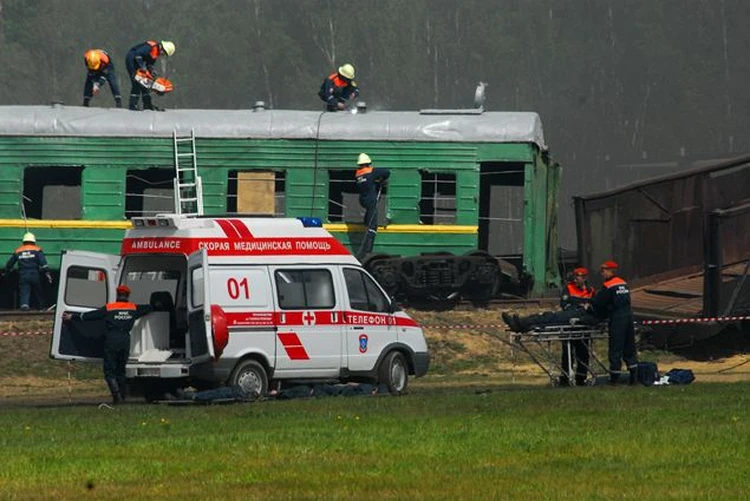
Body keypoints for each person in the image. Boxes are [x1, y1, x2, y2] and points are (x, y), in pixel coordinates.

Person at [502, 268, 596, 386]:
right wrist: (580, 304)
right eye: (576, 275)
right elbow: (565, 303)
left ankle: (581, 380)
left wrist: (579, 304)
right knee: (564, 348)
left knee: (582, 353)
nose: (576, 278)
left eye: (579, 276)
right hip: (569, 319)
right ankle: (565, 379)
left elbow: (592, 305)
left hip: (581, 323)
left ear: (585, 278)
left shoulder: (591, 290)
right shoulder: (569, 287)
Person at [63, 285, 153, 404]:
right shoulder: (133, 308)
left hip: (112, 339)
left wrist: (72, 317)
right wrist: (158, 304)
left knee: (109, 370)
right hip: (125, 340)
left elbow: (91, 316)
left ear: (117, 294)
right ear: (128, 295)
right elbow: (149, 308)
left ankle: (117, 397)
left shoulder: (110, 308)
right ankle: (123, 396)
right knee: (121, 370)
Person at [591, 260, 638, 385]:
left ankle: (614, 379)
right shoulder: (623, 283)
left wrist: (594, 311)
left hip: (617, 319)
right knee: (629, 347)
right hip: (628, 317)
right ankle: (634, 378)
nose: (602, 273)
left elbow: (599, 303)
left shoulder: (608, 285)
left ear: (611, 271)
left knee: (615, 348)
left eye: (604, 270)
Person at [2, 232, 52, 310]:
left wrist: (6, 271)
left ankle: (24, 305)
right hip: (35, 274)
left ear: (24, 241)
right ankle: (40, 307)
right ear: (33, 241)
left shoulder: (18, 250)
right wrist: (47, 272)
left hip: (23, 274)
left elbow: (10, 263)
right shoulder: (37, 249)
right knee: (38, 290)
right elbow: (43, 262)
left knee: (24, 291)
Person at [355, 153, 390, 260]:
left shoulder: (358, 174)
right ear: (368, 163)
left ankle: (366, 223)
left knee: (368, 220)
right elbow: (387, 172)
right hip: (371, 200)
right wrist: (381, 179)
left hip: (363, 199)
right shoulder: (371, 171)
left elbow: (368, 182)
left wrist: (377, 182)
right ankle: (367, 253)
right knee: (372, 227)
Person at [125, 40, 175, 111]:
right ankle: (133, 106)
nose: (162, 55)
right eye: (164, 53)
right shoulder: (151, 47)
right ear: (163, 48)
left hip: (139, 63)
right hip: (131, 60)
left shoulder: (156, 53)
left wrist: (152, 70)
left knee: (145, 84)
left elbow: (150, 64)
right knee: (137, 82)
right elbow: (137, 55)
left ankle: (147, 105)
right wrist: (142, 66)